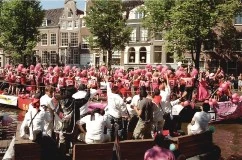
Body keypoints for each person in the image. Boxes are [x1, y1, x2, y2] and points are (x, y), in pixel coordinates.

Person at [104, 76, 127, 141]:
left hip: (110, 114)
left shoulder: (110, 94)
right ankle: (118, 140)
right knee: (119, 129)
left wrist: (107, 81)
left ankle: (110, 140)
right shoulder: (120, 99)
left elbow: (108, 87)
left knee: (109, 129)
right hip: (117, 116)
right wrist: (124, 115)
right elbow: (123, 110)